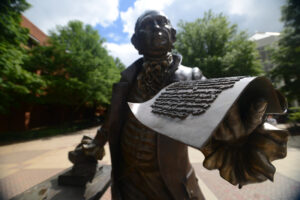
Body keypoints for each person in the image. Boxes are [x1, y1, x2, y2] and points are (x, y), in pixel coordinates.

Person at [70, 10, 288, 200]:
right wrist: (96, 144)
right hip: (129, 181)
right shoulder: (125, 82)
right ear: (136, 42)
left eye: (162, 22)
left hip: (171, 183)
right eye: (147, 25)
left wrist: (237, 133)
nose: (156, 27)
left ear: (172, 35)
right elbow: (112, 120)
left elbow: (215, 117)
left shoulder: (192, 76)